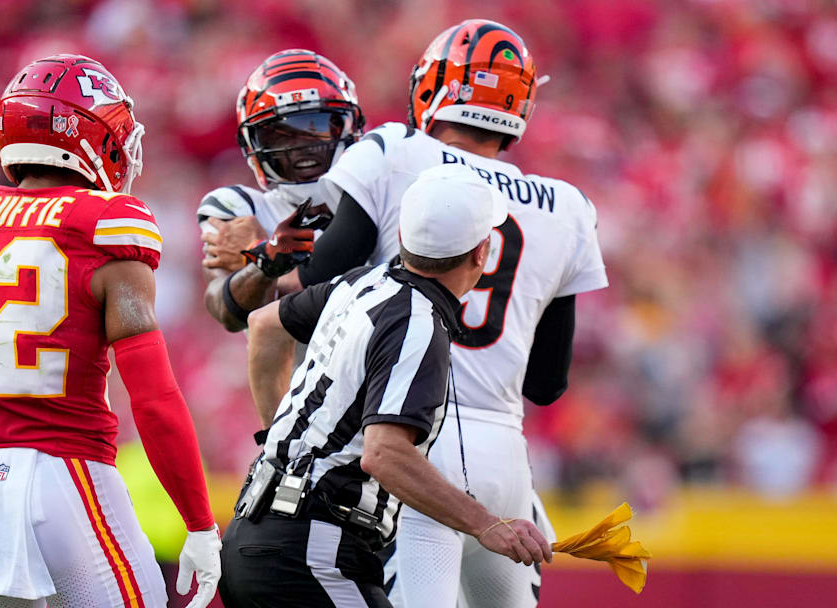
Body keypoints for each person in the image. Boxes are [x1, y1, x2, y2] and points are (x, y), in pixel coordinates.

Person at [208, 19, 609, 607]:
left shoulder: (395, 151)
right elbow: (548, 385)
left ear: (432, 86)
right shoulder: (568, 206)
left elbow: (316, 288)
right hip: (505, 455)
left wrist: (258, 256)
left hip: (406, 442)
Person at [0, 54, 221, 608]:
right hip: (70, 484)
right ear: (88, 134)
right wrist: (198, 521)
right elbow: (153, 396)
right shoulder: (104, 225)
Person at [218, 164, 552, 608]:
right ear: (481, 253)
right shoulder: (417, 321)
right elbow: (384, 453)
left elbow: (263, 326)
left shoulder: (361, 283)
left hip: (260, 533)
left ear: (402, 233)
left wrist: (280, 446)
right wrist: (485, 524)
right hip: (312, 551)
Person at [197, 49, 364, 335]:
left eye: (317, 127)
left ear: (349, 127)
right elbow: (225, 309)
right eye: (281, 133)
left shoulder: (377, 193)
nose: (302, 145)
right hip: (295, 377)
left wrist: (256, 256)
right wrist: (266, 261)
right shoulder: (239, 207)